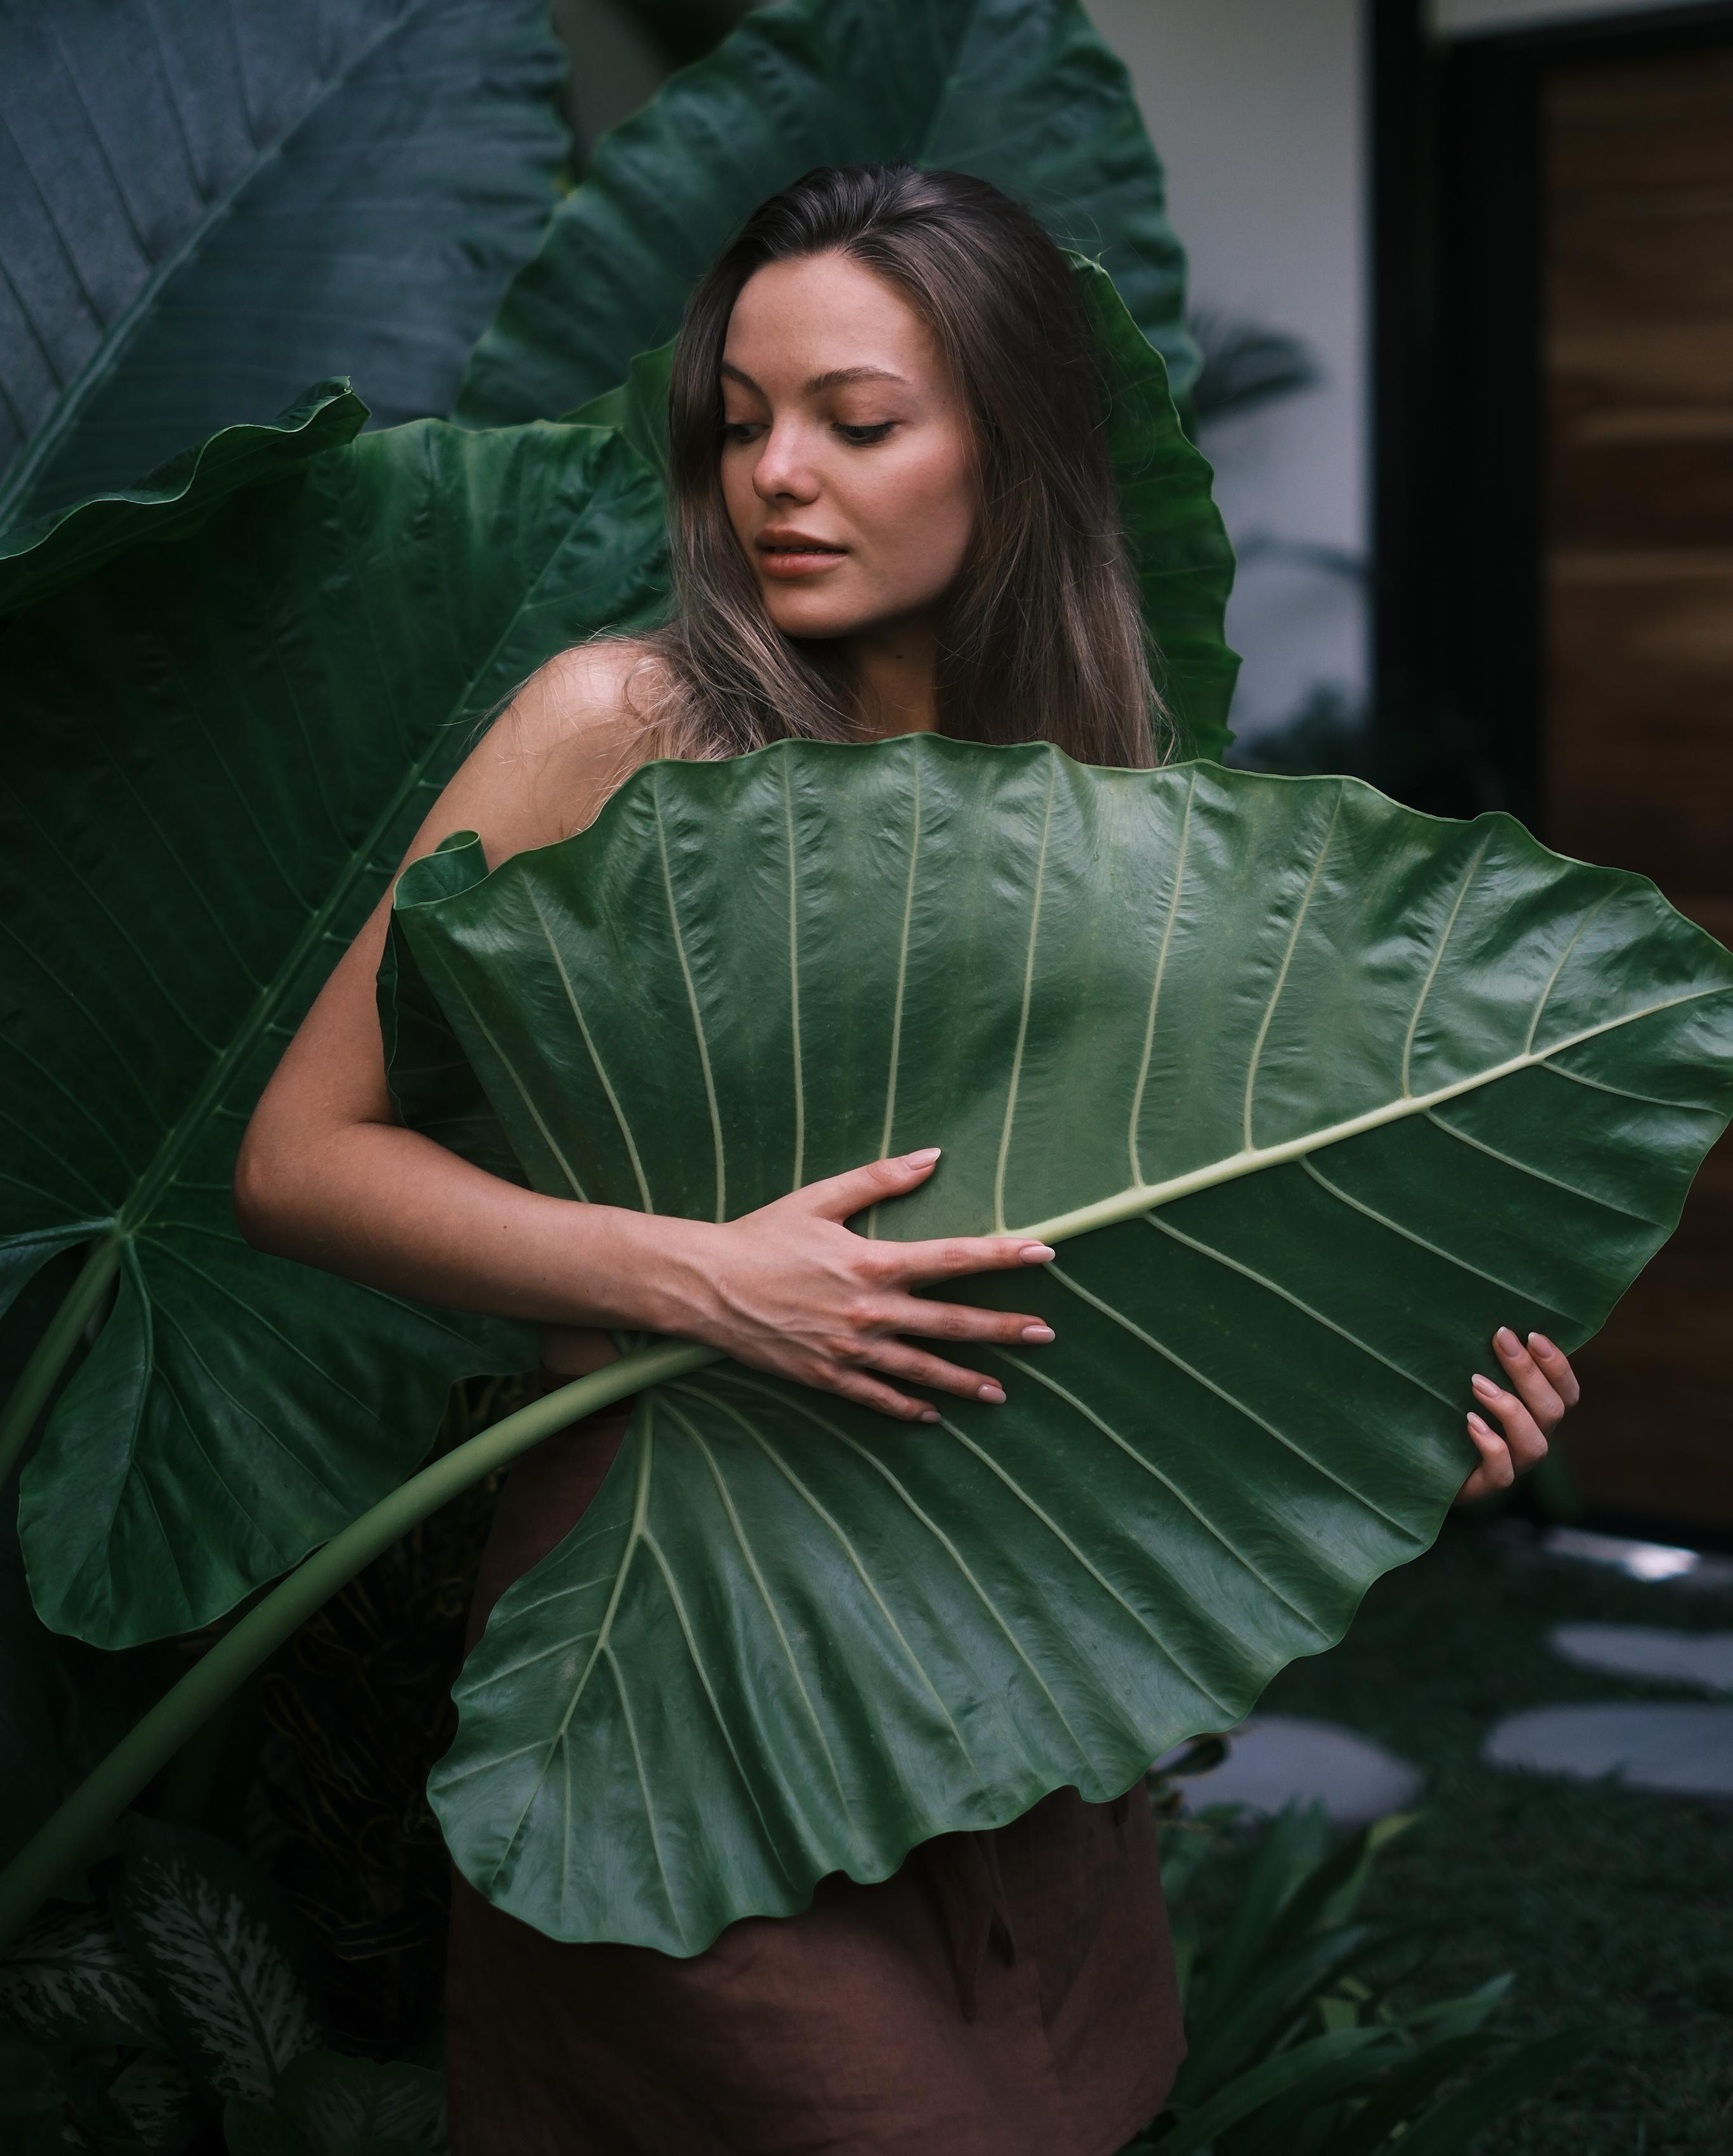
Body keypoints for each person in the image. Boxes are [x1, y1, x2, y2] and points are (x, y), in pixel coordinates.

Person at [235, 163, 1580, 2156]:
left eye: (856, 423)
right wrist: (703, 1278)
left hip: (994, 1652)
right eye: (744, 422)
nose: (777, 474)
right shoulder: (625, 725)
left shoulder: (1115, 810)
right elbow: (297, 1160)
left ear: (1015, 451)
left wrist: (1402, 1402)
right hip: (681, 1636)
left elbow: (1140, 1282)